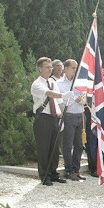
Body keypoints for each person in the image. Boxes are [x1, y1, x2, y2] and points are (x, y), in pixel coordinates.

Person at [31, 57, 73, 186]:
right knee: (44, 148)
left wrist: (61, 116)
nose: (50, 69)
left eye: (50, 67)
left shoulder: (53, 83)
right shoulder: (37, 84)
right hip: (43, 118)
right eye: (47, 67)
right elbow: (48, 94)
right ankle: (45, 176)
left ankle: (53, 173)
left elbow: (58, 102)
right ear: (40, 69)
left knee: (55, 148)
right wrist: (62, 95)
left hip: (55, 117)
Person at [57, 59, 87, 181]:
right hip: (69, 115)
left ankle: (76, 169)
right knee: (68, 145)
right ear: (66, 69)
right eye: (73, 68)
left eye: (76, 68)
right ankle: (69, 170)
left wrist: (82, 100)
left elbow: (85, 97)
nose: (75, 70)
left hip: (80, 115)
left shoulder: (79, 83)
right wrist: (76, 99)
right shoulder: (59, 84)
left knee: (79, 145)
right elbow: (62, 100)